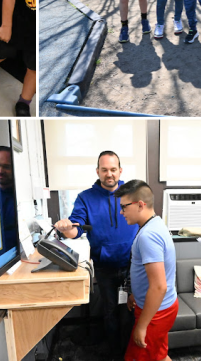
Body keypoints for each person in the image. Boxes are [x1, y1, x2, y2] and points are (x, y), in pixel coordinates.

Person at [54, 151, 137, 359]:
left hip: (132, 266)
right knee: (109, 312)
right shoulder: (86, 198)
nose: (109, 174)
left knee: (129, 312)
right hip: (104, 267)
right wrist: (66, 228)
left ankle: (129, 353)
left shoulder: (133, 193)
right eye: (104, 170)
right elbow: (76, 229)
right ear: (98, 171)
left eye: (113, 169)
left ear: (120, 170)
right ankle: (114, 354)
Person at [115, 180, 177, 361]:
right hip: (160, 306)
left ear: (140, 205)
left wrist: (142, 326)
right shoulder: (155, 224)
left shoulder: (148, 236)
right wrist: (136, 294)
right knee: (159, 355)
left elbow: (159, 287)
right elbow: (147, 274)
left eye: (124, 207)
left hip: (157, 312)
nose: (121, 212)